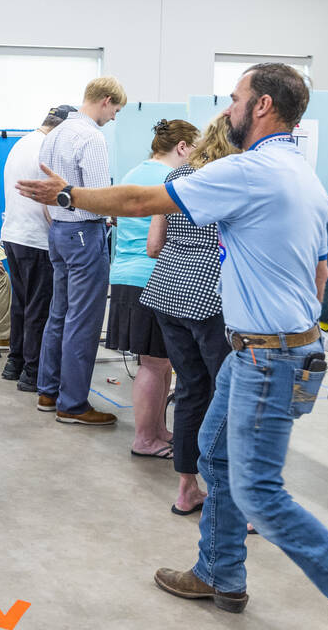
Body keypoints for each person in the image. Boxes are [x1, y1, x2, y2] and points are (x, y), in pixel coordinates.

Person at [18, 63, 328, 629]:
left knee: (261, 494)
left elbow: (141, 201)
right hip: (270, 347)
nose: (228, 108)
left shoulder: (252, 171)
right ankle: (219, 573)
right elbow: (322, 277)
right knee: (215, 451)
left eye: (235, 98)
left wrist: (67, 192)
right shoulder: (304, 177)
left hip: (267, 354)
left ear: (261, 107)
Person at [141, 115, 238, 515]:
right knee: (228, 393)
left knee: (191, 390)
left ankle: (186, 489)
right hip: (209, 296)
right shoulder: (229, 179)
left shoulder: (177, 175)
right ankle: (229, 496)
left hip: (167, 289)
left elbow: (156, 243)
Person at [36, 76, 126, 425]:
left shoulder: (54, 133)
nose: (115, 117)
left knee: (59, 312)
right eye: (115, 109)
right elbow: (101, 195)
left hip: (58, 230)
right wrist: (116, 212)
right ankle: (72, 404)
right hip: (85, 233)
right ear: (105, 100)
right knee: (84, 319)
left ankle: (49, 390)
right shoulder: (91, 137)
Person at [108, 119, 198, 459]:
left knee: (158, 364)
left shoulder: (133, 174)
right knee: (153, 365)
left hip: (124, 277)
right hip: (150, 279)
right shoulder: (168, 182)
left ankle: (158, 431)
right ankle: (144, 439)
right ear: (183, 147)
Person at [0, 105, 72, 390]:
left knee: (21, 303)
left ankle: (14, 362)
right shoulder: (49, 148)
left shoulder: (22, 143)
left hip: (13, 235)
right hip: (37, 239)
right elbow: (49, 206)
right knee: (39, 309)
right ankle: (32, 372)